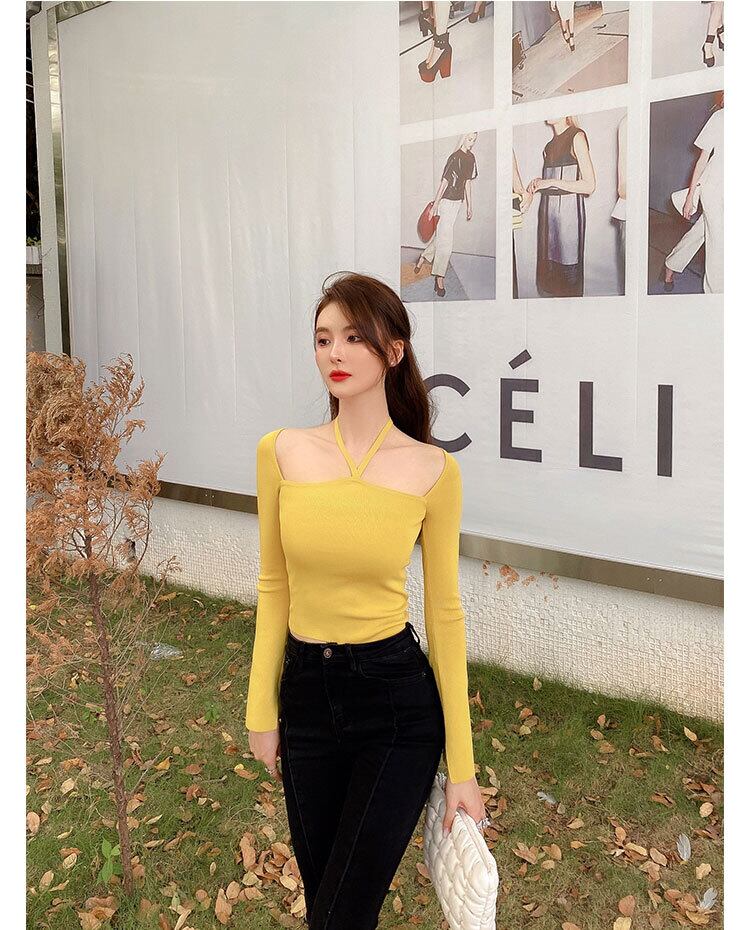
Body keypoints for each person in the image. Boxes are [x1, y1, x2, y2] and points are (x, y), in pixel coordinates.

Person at [245, 272, 487, 929]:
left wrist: (462, 768)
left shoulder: (433, 471)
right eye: (323, 338)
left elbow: (445, 614)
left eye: (355, 337)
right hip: (306, 698)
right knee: (329, 903)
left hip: (394, 704)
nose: (335, 353)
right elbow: (273, 585)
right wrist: (261, 706)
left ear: (394, 351)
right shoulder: (281, 452)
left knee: (342, 915)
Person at [528, 115, 596, 298]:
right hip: (547, 222)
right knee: (549, 283)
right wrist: (540, 183)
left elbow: (589, 186)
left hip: (569, 221)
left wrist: (551, 181)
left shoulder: (577, 136)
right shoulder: (548, 147)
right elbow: (553, 182)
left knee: (568, 284)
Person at [663, 95, 723, 295]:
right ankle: (715, 297)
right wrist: (690, 197)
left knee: (703, 231)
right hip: (714, 189)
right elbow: (702, 160)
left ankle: (671, 264)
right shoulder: (720, 117)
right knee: (719, 244)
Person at [415, 132, 478, 297]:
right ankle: (439, 277)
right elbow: (445, 182)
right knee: (446, 242)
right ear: (463, 138)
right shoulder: (454, 157)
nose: (471, 143)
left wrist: (469, 205)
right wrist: (436, 204)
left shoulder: (471, 158)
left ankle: (423, 257)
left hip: (457, 204)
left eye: (474, 140)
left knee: (441, 236)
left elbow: (467, 182)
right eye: (469, 139)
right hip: (445, 202)